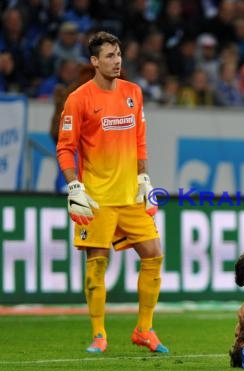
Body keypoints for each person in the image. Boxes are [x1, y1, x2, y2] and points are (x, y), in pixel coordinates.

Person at [56, 31, 168, 354]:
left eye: (118, 55)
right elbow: (65, 148)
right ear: (94, 61)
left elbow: (140, 140)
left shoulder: (133, 93)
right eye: (109, 56)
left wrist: (144, 179)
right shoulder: (79, 99)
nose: (117, 61)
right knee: (97, 263)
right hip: (98, 198)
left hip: (130, 196)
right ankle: (99, 334)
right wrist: (73, 184)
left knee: (154, 254)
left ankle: (144, 330)